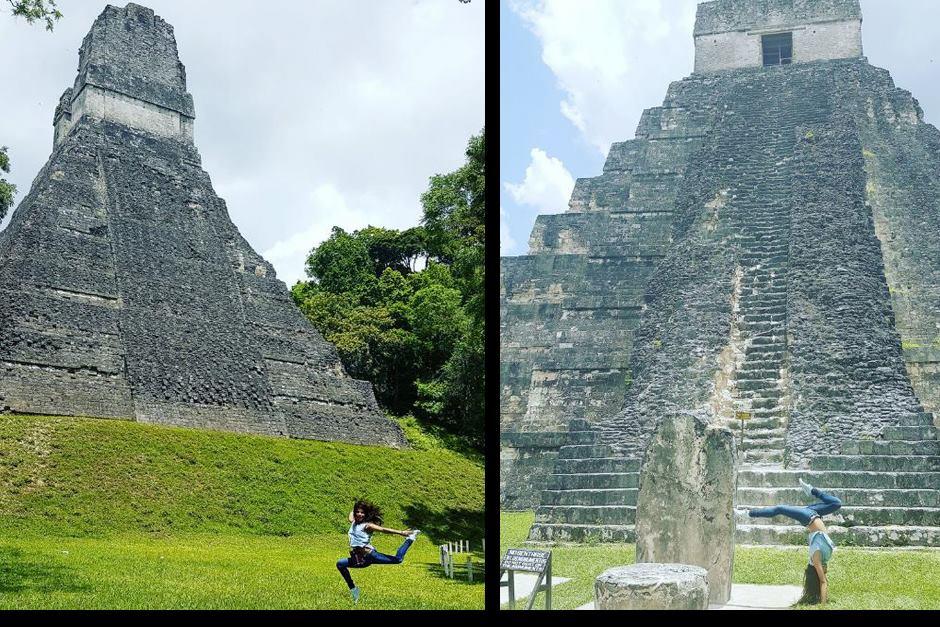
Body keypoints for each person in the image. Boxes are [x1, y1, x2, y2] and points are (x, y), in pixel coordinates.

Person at [747, 478, 842, 604]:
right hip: (815, 513)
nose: (826, 572)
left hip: (808, 517)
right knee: (837, 503)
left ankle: (748, 514)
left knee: (779, 509)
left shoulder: (816, 559)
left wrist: (823, 604)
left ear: (816, 571)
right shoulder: (826, 557)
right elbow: (824, 580)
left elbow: (823, 582)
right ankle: (811, 490)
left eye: (823, 572)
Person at [336, 498, 421, 604]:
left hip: (371, 556)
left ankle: (410, 539)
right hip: (358, 559)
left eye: (362, 513)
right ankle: (354, 590)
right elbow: (351, 513)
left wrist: (401, 532)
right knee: (340, 564)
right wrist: (358, 504)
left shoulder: (367, 526)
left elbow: (384, 530)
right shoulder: (353, 522)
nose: (359, 514)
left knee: (398, 559)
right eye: (357, 512)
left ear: (365, 514)